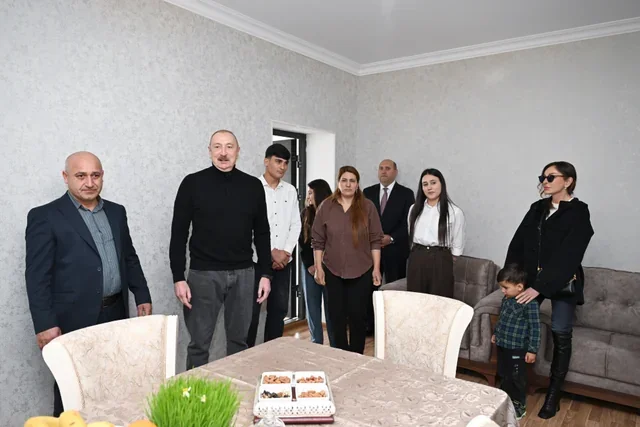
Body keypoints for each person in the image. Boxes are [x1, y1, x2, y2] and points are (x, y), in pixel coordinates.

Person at [25, 151, 152, 416]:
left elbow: (129, 257)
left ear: (102, 176)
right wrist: (45, 324)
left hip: (116, 313)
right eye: (81, 176)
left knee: (115, 382)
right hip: (71, 319)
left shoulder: (116, 212)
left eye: (95, 175)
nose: (89, 182)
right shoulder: (45, 216)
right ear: (66, 177)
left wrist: (142, 295)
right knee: (72, 388)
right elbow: (37, 276)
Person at [169, 130, 272, 369]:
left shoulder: (253, 186)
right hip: (203, 276)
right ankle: (194, 391)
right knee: (199, 344)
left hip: (244, 275)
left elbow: (263, 233)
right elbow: (179, 233)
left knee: (239, 342)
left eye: (229, 147)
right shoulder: (192, 183)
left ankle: (235, 388)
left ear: (238, 151)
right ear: (209, 151)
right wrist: (178, 277)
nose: (223, 153)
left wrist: (266, 273)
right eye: (217, 147)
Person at [505, 161, 594, 419]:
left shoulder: (579, 212)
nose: (545, 181)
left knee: (560, 332)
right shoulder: (537, 208)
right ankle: (514, 389)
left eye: (551, 177)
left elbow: (570, 254)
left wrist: (539, 288)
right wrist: (511, 278)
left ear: (568, 181)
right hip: (532, 278)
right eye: (543, 177)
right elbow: (518, 243)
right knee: (515, 322)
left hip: (563, 280)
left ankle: (553, 395)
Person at [312, 166, 383, 354]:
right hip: (332, 270)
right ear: (338, 183)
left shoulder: (368, 207)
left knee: (358, 317)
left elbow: (375, 240)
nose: (348, 184)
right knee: (336, 318)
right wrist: (318, 268)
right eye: (344, 180)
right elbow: (318, 241)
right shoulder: (326, 206)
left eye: (352, 180)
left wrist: (376, 269)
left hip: (362, 270)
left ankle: (356, 358)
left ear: (357, 184)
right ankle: (340, 357)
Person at [247, 143, 301, 347]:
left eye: (286, 163)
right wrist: (269, 253)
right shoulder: (252, 188)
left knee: (278, 311)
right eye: (278, 161)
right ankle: (248, 356)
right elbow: (249, 226)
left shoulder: (290, 190)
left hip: (283, 264)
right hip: (257, 263)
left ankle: (271, 355)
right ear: (266, 161)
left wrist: (285, 252)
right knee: (251, 313)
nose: (282, 167)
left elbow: (296, 224)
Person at [363, 159, 415, 334]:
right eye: (381, 168)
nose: (383, 171)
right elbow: (361, 220)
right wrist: (374, 238)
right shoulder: (367, 192)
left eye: (387, 168)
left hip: (396, 250)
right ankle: (370, 326)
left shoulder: (406, 194)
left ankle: (394, 329)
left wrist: (391, 238)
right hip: (371, 251)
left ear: (395, 172)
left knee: (395, 291)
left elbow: (409, 223)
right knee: (369, 289)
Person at [491, 264, 541, 420]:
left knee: (516, 377)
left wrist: (532, 350)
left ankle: (519, 406)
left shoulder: (530, 304)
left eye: (505, 287)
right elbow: (502, 318)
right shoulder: (506, 299)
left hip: (517, 349)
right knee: (503, 373)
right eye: (501, 287)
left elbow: (535, 328)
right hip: (503, 345)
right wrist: (496, 333)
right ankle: (504, 399)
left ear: (519, 287)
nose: (502, 290)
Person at [406, 168, 465, 298]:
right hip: (417, 257)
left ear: (441, 184)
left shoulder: (454, 212)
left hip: (441, 258)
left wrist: (445, 259)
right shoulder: (414, 209)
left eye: (433, 183)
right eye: (425, 184)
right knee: (415, 299)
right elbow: (410, 233)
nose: (429, 187)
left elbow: (457, 243)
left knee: (440, 300)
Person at [299, 179, 335, 346]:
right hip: (309, 267)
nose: (308, 196)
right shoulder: (305, 214)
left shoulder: (334, 213)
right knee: (312, 308)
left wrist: (322, 264)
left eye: (311, 193)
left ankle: (335, 344)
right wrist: (311, 265)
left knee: (331, 308)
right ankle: (316, 343)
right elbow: (302, 242)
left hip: (330, 267)